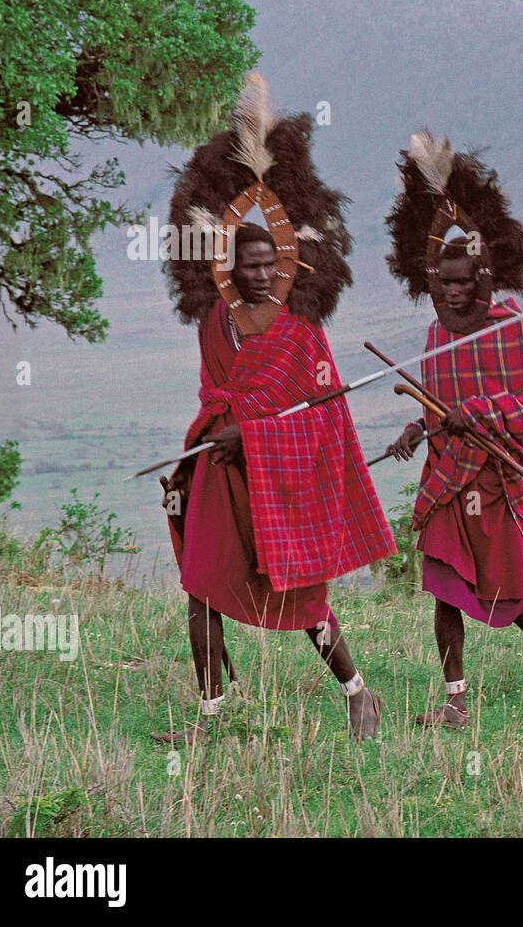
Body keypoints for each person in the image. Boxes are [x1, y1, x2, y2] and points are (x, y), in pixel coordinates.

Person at [155, 226, 394, 743]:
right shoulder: (214, 322)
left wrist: (255, 434)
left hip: (279, 479)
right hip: (221, 470)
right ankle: (211, 716)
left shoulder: (299, 327)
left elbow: (324, 416)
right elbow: (214, 393)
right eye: (251, 266)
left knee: (304, 602)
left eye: (271, 265)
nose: (264, 276)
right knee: (201, 585)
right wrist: (214, 443)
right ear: (228, 270)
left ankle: (357, 692)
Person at [385, 130, 523, 726]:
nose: (451, 292)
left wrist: (488, 411)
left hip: (498, 473)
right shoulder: (434, 333)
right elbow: (436, 402)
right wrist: (417, 430)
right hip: (445, 472)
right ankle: (455, 702)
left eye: (462, 283)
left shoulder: (514, 325)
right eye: (442, 284)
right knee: (443, 588)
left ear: (483, 278)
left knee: (503, 590)